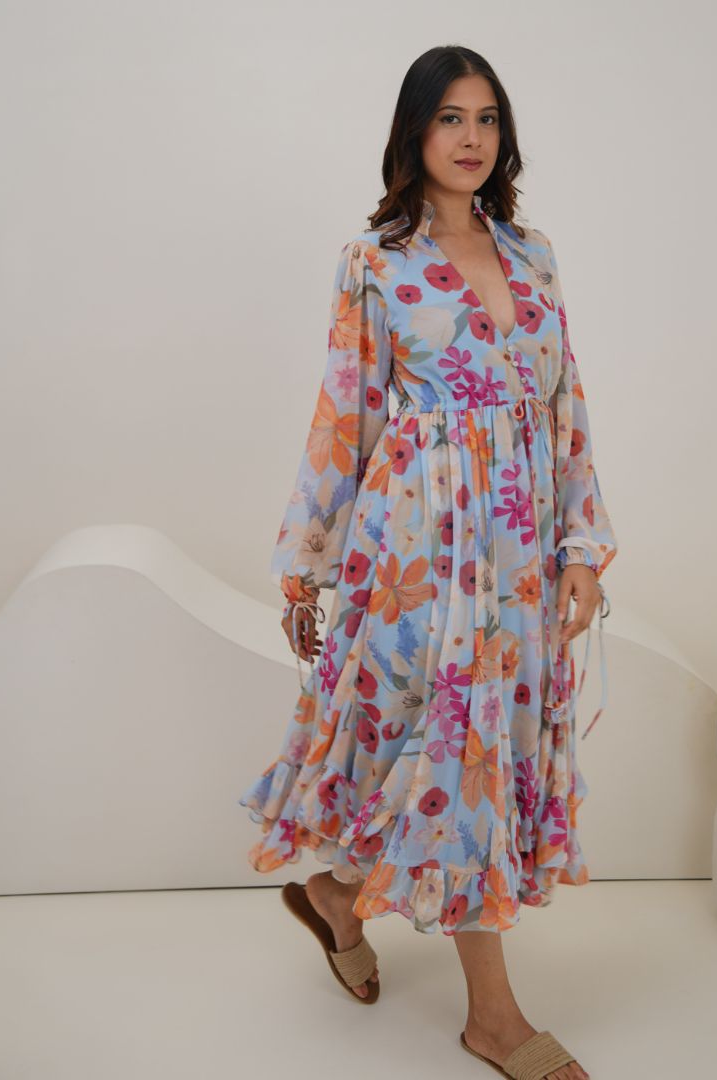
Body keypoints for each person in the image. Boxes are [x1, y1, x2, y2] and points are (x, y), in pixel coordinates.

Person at [239, 44, 618, 1080]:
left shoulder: (533, 253)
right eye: (451, 117)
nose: (471, 137)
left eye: (487, 118)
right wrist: (308, 558)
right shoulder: (376, 261)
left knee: (453, 753)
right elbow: (346, 411)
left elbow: (564, 405)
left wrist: (582, 546)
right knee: (446, 753)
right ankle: (492, 1016)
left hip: (519, 555)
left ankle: (332, 896)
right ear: (415, 132)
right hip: (415, 551)